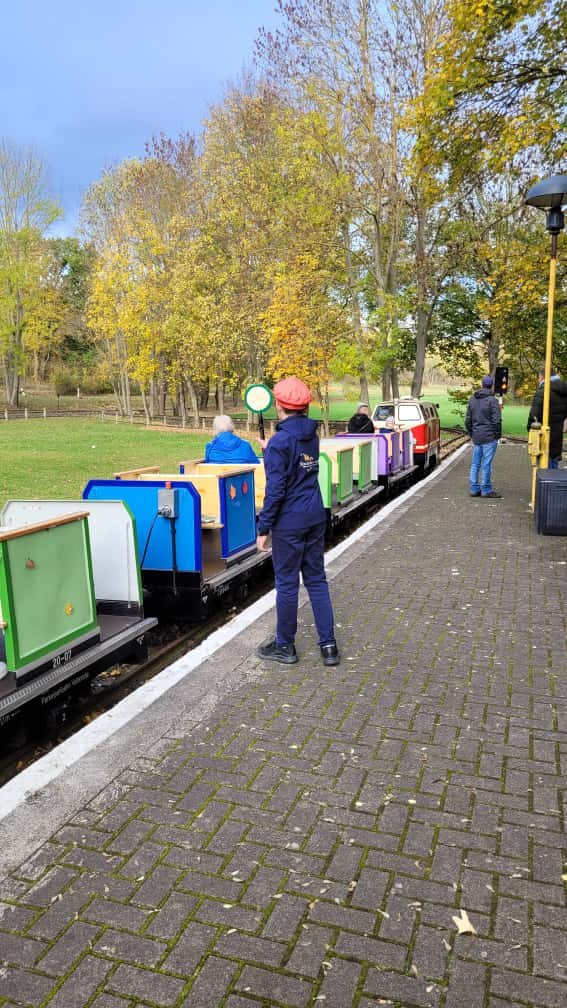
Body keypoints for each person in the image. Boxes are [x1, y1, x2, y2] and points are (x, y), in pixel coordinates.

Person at [256, 377, 340, 667]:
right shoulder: (311, 435)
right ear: (305, 406)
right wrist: (270, 451)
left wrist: (263, 528)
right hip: (315, 516)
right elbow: (298, 466)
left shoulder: (281, 442)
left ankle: (285, 646)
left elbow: (276, 489)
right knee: (317, 580)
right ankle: (328, 647)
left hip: (289, 522)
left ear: (279, 405)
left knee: (287, 584)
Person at [465, 375, 502, 498]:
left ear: (482, 385)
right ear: (491, 386)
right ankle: (486, 489)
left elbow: (468, 420)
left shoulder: (473, 399)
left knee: (475, 464)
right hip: (489, 437)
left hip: (477, 436)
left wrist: (472, 433)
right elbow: (496, 421)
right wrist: (497, 435)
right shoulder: (493, 401)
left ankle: (474, 489)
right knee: (486, 464)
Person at [527, 365, 567, 469]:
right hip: (557, 434)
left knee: (545, 465)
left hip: (544, 434)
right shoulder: (564, 389)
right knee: (554, 462)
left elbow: (534, 414)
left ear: (542, 376)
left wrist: (530, 429)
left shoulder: (543, 390)